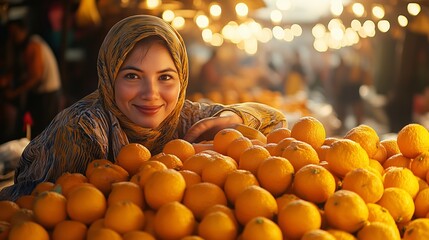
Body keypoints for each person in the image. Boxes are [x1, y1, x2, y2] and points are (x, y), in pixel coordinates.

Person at [0, 15, 287, 201]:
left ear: (182, 79)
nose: (151, 94)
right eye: (132, 76)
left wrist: (231, 117)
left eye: (165, 77)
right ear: (109, 76)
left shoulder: (184, 116)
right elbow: (37, 210)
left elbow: (275, 118)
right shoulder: (81, 132)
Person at [2, 18, 62, 139]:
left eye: (14, 33)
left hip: (47, 95)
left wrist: (15, 93)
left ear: (23, 30)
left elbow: (36, 77)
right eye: (10, 34)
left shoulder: (33, 45)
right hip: (42, 94)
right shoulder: (24, 47)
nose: (12, 37)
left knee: (44, 134)